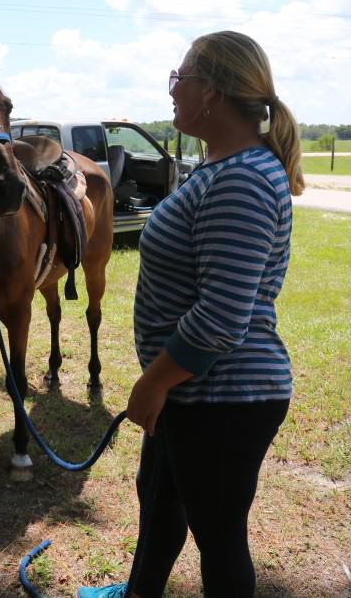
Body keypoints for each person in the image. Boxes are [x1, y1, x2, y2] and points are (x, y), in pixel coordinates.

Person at [79, 31, 304, 598]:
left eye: (180, 78)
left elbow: (222, 318)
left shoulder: (244, 181)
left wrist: (153, 382)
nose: (173, 90)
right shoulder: (219, 169)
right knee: (158, 499)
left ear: (214, 92)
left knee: (219, 534)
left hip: (222, 397)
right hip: (190, 389)